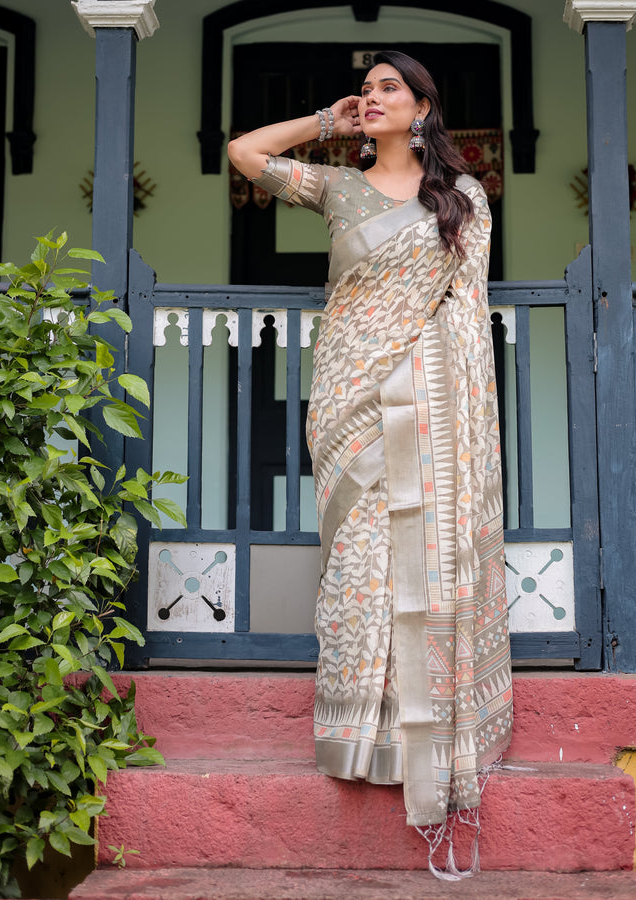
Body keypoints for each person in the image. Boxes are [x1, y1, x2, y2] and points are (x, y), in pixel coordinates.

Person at [228, 50, 512, 880]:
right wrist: (327, 122)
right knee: (361, 563)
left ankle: (425, 738)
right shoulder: (338, 187)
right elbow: (245, 152)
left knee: (427, 560)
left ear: (424, 107)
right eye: (370, 89)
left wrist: (429, 380)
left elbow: (468, 309)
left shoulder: (462, 200)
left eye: (391, 88)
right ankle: (361, 733)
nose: (375, 98)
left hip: (431, 402)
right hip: (353, 399)